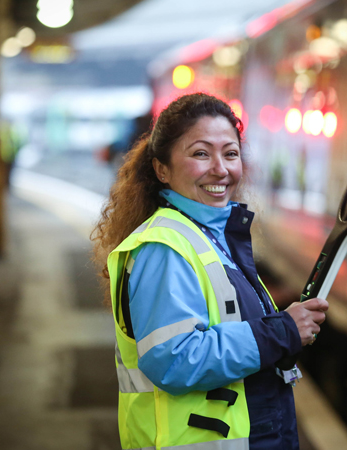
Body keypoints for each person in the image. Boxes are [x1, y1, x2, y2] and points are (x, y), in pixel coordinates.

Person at [92, 93, 329, 450]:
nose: (221, 169)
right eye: (201, 153)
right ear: (162, 169)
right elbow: (173, 358)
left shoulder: (211, 236)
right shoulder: (165, 247)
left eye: (230, 153)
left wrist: (286, 332)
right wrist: (281, 332)